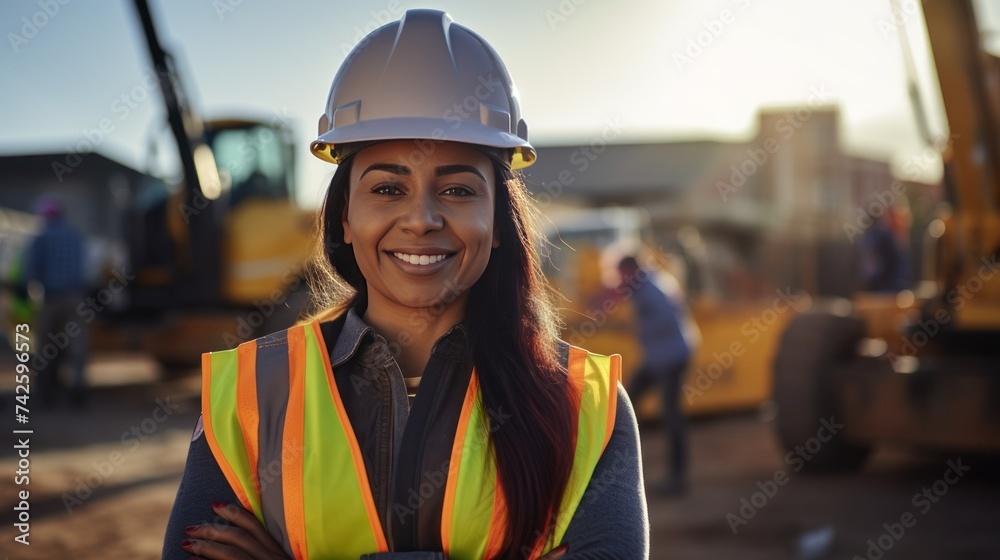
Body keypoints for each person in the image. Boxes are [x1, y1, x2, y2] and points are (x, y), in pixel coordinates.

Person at [162, 9, 648, 560]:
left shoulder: (582, 404)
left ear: (497, 226)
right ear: (344, 216)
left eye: (459, 190)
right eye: (389, 189)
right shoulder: (249, 395)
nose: (421, 219)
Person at [618, 256, 697, 496]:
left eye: (621, 274)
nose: (619, 280)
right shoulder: (647, 284)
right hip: (659, 357)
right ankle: (623, 469)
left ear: (631, 271)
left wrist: (640, 327)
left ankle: (678, 478)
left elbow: (668, 317)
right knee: (627, 400)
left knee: (671, 414)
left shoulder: (651, 287)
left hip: (671, 357)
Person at [24, 195, 89, 409]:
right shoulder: (75, 236)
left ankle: (47, 393)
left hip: (51, 299)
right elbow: (84, 267)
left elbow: (31, 269)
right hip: (75, 298)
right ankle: (77, 390)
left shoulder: (41, 237)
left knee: (46, 347)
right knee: (76, 348)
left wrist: (25, 287)